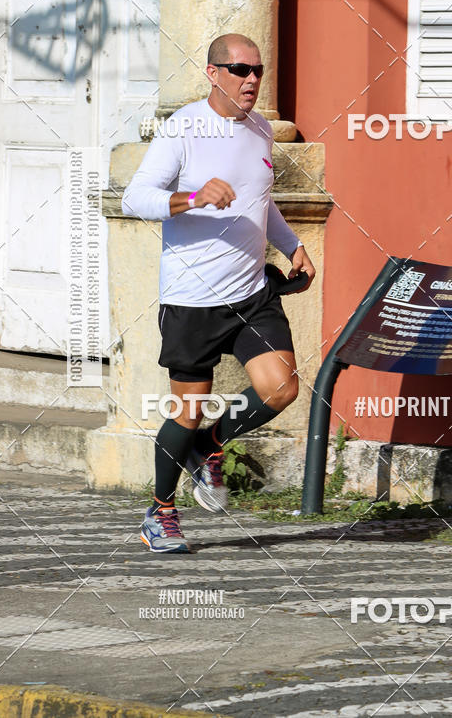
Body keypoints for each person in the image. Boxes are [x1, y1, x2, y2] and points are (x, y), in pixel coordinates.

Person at [121, 33, 315, 553]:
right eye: (238, 70)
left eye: (257, 70)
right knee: (187, 409)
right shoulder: (183, 128)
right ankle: (160, 512)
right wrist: (191, 197)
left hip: (252, 291)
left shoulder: (259, 131)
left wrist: (291, 245)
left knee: (282, 387)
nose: (251, 79)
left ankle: (210, 443)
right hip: (192, 297)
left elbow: (262, 199)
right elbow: (136, 197)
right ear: (212, 73)